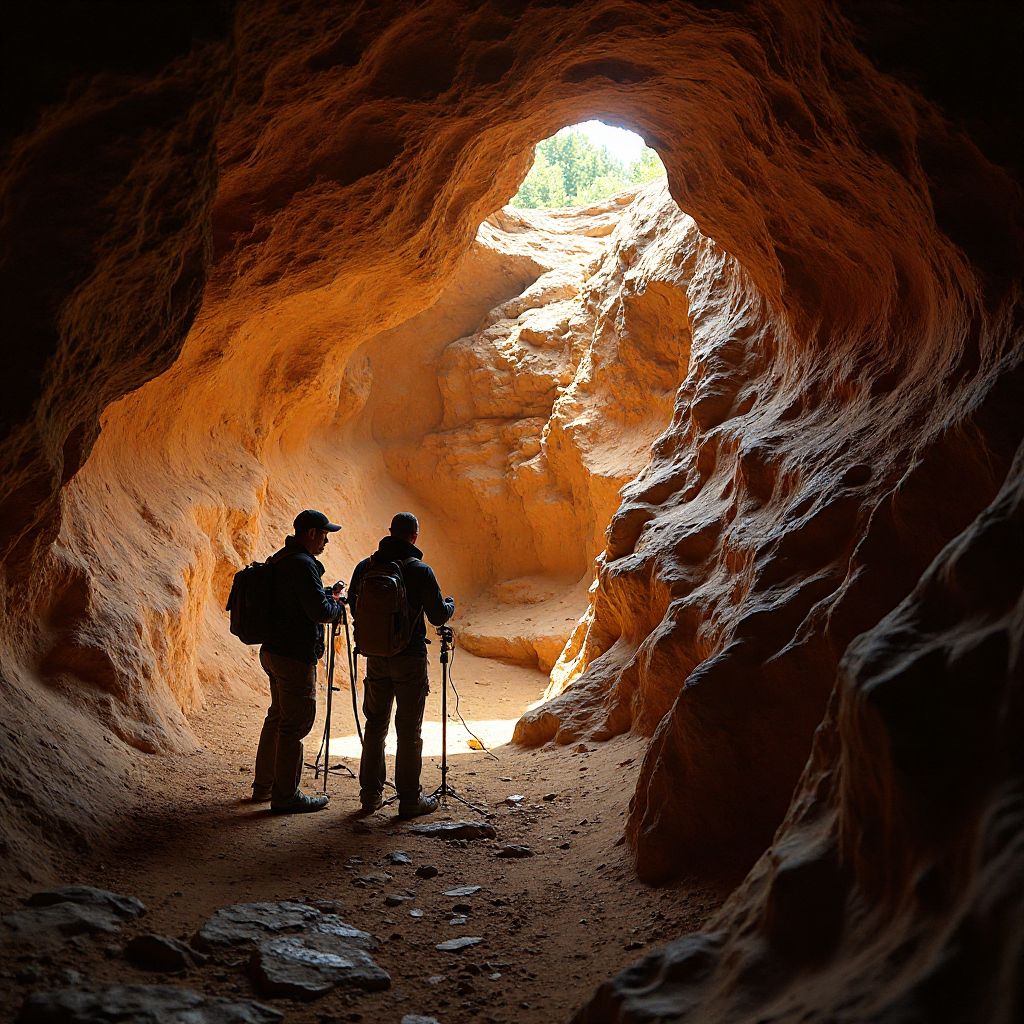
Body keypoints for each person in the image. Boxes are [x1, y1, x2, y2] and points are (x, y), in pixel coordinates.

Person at [349, 512, 455, 818]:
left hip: (376, 659)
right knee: (409, 730)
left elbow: (356, 607)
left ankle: (369, 795)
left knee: (375, 726)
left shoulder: (365, 567)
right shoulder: (420, 570)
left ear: (390, 532)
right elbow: (438, 615)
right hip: (409, 658)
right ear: (414, 537)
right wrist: (450, 603)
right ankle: (410, 799)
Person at [252, 509, 345, 813]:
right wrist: (336, 606)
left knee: (277, 716)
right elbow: (318, 611)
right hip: (294, 655)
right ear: (310, 533)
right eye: (324, 534)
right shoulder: (303, 564)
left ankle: (264, 785)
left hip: (273, 651)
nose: (326, 541)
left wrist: (325, 597)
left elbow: (297, 601)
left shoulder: (281, 558)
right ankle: (286, 795)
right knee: (294, 723)